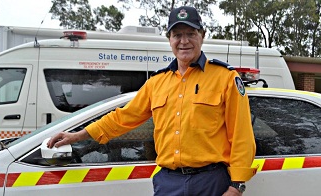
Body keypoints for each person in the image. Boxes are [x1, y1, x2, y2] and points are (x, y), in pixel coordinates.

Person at [48, 6, 257, 196]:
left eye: (191, 34)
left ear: (202, 35)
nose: (184, 41)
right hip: (168, 183)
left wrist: (237, 186)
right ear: (169, 39)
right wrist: (78, 135)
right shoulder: (156, 82)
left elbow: (241, 135)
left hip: (211, 182)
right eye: (177, 35)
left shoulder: (226, 78)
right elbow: (123, 118)